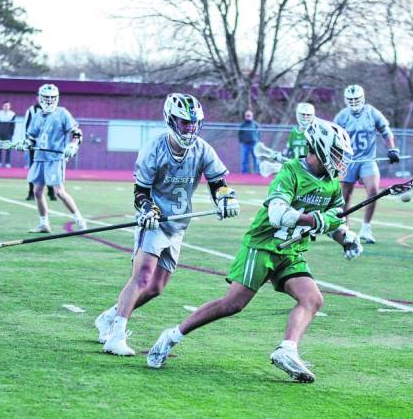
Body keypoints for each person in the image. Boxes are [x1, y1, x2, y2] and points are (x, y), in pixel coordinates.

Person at [146, 118, 363, 383]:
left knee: (313, 299)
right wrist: (313, 220)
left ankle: (287, 350)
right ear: (320, 147)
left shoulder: (331, 184)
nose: (341, 160)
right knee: (232, 304)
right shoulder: (291, 171)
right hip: (261, 246)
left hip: (290, 251)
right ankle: (172, 336)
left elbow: (333, 221)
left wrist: (346, 238)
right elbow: (278, 214)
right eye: (338, 153)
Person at [96, 93, 241, 356]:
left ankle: (108, 316)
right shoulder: (155, 148)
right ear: (171, 120)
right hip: (154, 222)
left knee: (156, 288)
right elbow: (140, 191)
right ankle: (115, 336)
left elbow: (218, 182)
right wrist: (148, 209)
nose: (190, 128)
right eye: (184, 122)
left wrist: (224, 199)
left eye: (194, 123)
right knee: (141, 277)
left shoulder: (202, 149)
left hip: (178, 225)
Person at [333, 84, 399, 244]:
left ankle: (366, 228)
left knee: (374, 191)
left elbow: (386, 131)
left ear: (362, 98)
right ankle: (345, 229)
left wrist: (392, 149)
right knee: (344, 197)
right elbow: (332, 137)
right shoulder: (342, 116)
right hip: (348, 161)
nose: (354, 102)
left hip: (368, 160)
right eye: (350, 99)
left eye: (356, 99)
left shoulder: (372, 112)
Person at [18, 84, 86, 233]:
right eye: (46, 98)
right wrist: (25, 144)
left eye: (52, 98)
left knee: (59, 192)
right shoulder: (37, 115)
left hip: (55, 157)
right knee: (36, 191)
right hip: (40, 157)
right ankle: (44, 223)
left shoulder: (62, 113)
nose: (49, 101)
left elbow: (76, 133)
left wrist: (73, 145)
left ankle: (80, 220)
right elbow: (31, 137)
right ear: (40, 98)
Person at [23, 101, 56, 201]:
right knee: (34, 168)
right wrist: (29, 141)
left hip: (48, 146)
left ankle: (51, 192)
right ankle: (31, 192)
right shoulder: (32, 110)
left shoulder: (55, 111)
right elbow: (27, 127)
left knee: (48, 168)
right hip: (35, 145)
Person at [0, 101, 16, 168]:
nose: (6, 107)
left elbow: (13, 125)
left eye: (7, 106)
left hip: (8, 134)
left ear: (9, 107)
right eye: (5, 106)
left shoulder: (12, 114)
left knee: (8, 149)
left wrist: (11, 134)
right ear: (2, 106)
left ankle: (7, 163)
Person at [238, 109, 260, 173]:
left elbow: (259, 133)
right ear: (245, 116)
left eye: (249, 115)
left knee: (256, 159)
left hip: (254, 143)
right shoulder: (242, 125)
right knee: (244, 159)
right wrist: (241, 140)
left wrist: (257, 140)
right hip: (245, 144)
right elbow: (240, 133)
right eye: (247, 116)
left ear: (252, 116)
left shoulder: (255, 124)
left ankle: (257, 172)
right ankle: (244, 173)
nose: (248, 117)